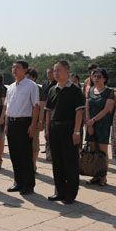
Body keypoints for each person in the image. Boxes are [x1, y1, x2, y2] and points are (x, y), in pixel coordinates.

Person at [44, 60, 85, 204]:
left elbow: (79, 111)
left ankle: (70, 193)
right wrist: (47, 128)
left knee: (70, 163)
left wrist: (77, 132)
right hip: (54, 129)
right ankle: (59, 191)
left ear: (67, 72)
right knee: (57, 162)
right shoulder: (52, 89)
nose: (55, 73)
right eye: (54, 71)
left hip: (69, 129)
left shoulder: (74, 90)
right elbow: (48, 111)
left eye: (58, 70)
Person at [4, 60, 40, 195]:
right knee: (14, 154)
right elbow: (8, 107)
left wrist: (33, 125)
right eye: (13, 67)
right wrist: (7, 124)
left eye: (17, 68)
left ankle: (28, 184)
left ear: (25, 70)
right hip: (12, 123)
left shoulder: (31, 86)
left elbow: (36, 106)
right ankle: (18, 182)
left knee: (25, 155)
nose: (14, 70)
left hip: (25, 123)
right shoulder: (11, 87)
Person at [84, 68, 115, 186]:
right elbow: (87, 108)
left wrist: (94, 120)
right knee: (93, 150)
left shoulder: (109, 92)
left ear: (104, 78)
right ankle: (95, 174)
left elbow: (107, 109)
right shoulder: (90, 91)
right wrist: (88, 122)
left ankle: (103, 176)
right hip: (91, 124)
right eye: (94, 76)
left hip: (102, 124)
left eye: (98, 76)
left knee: (102, 152)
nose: (96, 78)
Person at [26, 68, 44, 172]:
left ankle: (33, 164)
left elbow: (41, 106)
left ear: (34, 78)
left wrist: (40, 121)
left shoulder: (38, 89)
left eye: (28, 77)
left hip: (35, 120)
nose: (26, 79)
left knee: (34, 144)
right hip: (24, 120)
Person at [41, 68, 57, 161]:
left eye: (51, 73)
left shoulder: (56, 84)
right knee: (46, 130)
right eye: (48, 73)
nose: (49, 75)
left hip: (53, 110)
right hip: (45, 109)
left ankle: (52, 150)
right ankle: (47, 149)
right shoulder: (45, 85)